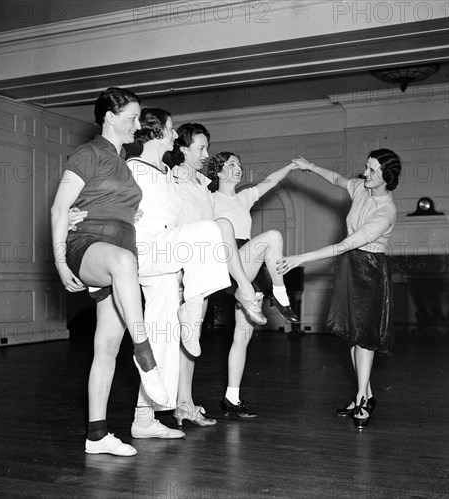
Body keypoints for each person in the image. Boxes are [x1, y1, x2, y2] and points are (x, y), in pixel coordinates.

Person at [51, 87, 168, 457]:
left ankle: (97, 435)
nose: (138, 124)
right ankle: (146, 354)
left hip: (120, 251)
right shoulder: (88, 153)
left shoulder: (123, 160)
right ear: (110, 118)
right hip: (88, 247)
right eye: (132, 117)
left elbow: (111, 202)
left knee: (106, 346)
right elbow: (58, 210)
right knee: (122, 262)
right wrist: (58, 261)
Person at [276, 149, 402, 429]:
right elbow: (336, 178)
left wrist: (300, 258)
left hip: (369, 271)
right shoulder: (360, 188)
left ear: (386, 178)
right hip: (350, 267)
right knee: (352, 334)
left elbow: (346, 244)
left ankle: (360, 399)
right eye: (367, 167)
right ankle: (366, 394)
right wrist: (310, 166)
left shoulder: (386, 213)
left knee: (365, 337)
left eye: (372, 171)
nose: (365, 173)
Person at [127, 109, 232, 439]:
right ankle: (192, 310)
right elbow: (104, 202)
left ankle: (144, 418)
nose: (175, 135)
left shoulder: (163, 171)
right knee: (209, 230)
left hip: (164, 254)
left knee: (163, 337)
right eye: (171, 130)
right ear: (156, 133)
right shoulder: (132, 168)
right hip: (144, 250)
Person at [168, 123, 267, 427]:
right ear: (182, 148)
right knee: (169, 339)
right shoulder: (167, 179)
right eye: (200, 148)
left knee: (190, 339)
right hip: (174, 265)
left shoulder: (202, 184)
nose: (206, 154)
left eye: (207, 147)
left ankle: (184, 403)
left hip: (200, 268)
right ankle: (148, 410)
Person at [206, 151, 299, 418]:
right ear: (218, 171)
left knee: (242, 336)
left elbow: (270, 181)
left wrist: (291, 165)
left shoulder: (243, 197)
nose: (238, 168)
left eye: (239, 163)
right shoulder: (209, 199)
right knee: (272, 236)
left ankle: (231, 399)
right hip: (225, 259)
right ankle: (280, 296)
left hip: (248, 261)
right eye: (231, 164)